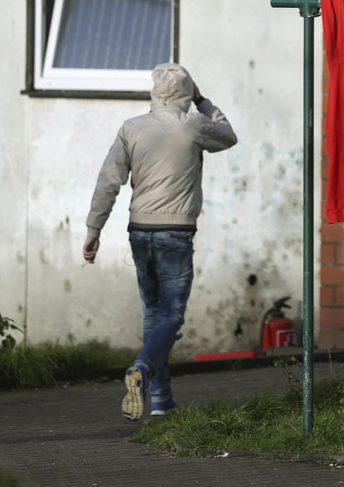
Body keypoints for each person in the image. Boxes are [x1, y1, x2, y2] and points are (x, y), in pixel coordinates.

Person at [82, 63, 237, 420]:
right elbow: (228, 135)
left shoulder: (131, 128)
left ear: (154, 92)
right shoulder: (195, 125)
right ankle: (143, 367)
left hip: (139, 231)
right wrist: (202, 100)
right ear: (186, 93)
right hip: (176, 233)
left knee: (153, 314)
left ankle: (162, 401)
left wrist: (94, 230)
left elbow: (108, 181)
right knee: (172, 315)